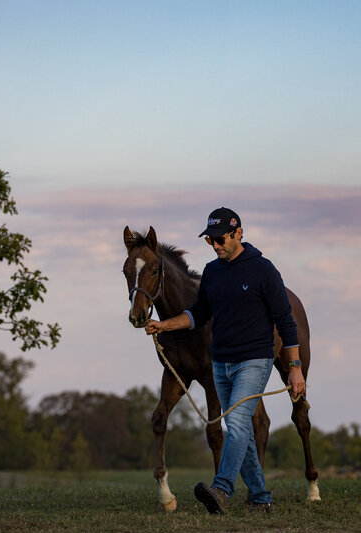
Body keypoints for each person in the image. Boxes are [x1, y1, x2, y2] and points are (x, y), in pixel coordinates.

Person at [145, 207, 305, 514]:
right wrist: (164, 325)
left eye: (220, 240)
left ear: (238, 234)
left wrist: (294, 368)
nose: (216, 246)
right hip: (221, 362)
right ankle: (261, 498)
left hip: (254, 360)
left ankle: (221, 489)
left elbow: (286, 321)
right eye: (210, 241)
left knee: (235, 421)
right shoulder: (213, 273)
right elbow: (198, 314)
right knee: (240, 427)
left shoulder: (263, 270)